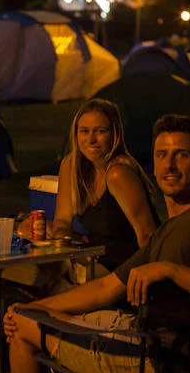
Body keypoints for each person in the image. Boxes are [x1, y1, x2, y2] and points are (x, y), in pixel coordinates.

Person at [5, 114, 190, 373]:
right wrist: (31, 306)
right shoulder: (171, 228)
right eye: (162, 155)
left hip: (158, 363)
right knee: (27, 315)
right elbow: (105, 288)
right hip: (142, 338)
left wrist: (171, 271)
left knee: (23, 326)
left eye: (181, 155)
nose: (169, 165)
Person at [51, 98, 160, 273]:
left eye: (100, 131)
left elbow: (148, 236)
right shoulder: (71, 165)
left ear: (114, 134)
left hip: (126, 267)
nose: (91, 139)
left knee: (59, 288)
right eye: (84, 131)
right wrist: (61, 241)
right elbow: (62, 219)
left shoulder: (118, 173)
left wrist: (146, 279)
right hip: (95, 258)